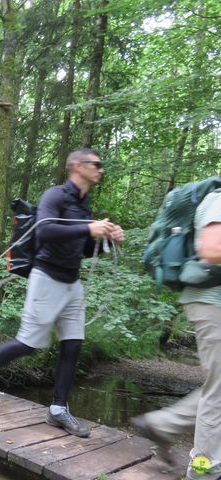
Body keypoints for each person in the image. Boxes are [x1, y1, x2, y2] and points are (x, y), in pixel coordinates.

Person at [0, 148, 125, 437]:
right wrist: (89, 228)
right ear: (78, 165)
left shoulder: (84, 204)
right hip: (46, 278)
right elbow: (46, 231)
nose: (101, 169)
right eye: (96, 164)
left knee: (73, 344)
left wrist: (108, 239)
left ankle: (58, 409)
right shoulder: (56, 196)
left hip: (72, 283)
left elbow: (84, 248)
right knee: (29, 343)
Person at [132, 189, 221, 480]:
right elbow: (212, 249)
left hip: (210, 302)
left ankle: (165, 424)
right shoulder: (218, 199)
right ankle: (204, 470)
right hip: (212, 302)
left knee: (218, 384)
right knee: (218, 388)